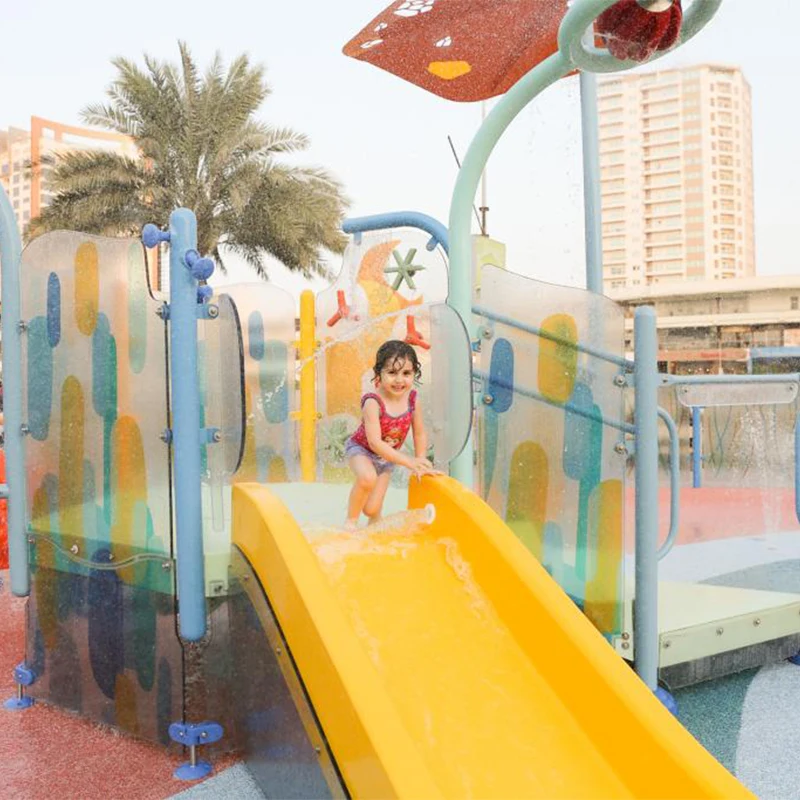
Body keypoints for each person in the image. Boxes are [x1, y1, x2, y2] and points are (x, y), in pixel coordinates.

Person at [344, 340, 439, 528]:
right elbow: (375, 443)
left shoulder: (412, 399)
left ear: (414, 374)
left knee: (371, 509)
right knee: (367, 478)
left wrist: (420, 461)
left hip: (386, 458)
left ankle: (374, 523)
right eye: (392, 372)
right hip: (362, 450)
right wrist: (409, 461)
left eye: (406, 373)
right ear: (378, 373)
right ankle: (350, 523)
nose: (399, 380)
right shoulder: (373, 402)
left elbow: (419, 432)